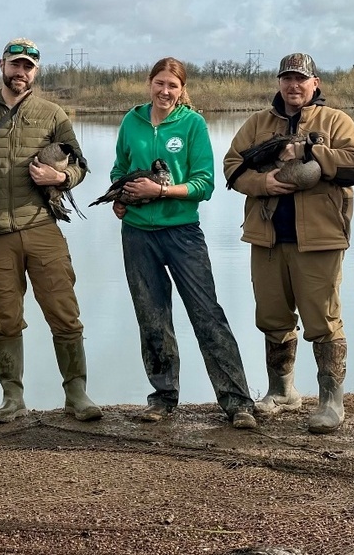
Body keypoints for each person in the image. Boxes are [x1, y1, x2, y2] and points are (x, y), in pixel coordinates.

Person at [0, 38, 102, 424]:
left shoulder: (53, 115)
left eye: (28, 67)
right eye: (15, 64)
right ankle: (12, 398)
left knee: (64, 313)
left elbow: (81, 165)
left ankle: (77, 394)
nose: (21, 72)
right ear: (1, 64)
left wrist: (62, 176)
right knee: (5, 317)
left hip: (42, 228)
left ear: (36, 71)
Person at [223, 53, 354, 434]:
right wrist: (262, 184)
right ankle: (282, 390)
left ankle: (331, 401)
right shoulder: (258, 123)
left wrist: (307, 152)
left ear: (315, 83)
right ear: (279, 83)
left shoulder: (335, 121)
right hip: (267, 235)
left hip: (320, 238)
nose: (294, 85)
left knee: (323, 319)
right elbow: (231, 167)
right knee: (272, 315)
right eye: (287, 78)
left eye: (301, 79)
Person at [108, 56, 255, 429]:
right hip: (138, 234)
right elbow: (119, 170)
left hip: (183, 232)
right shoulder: (132, 121)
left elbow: (204, 184)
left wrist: (159, 191)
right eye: (159, 83)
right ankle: (163, 398)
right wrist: (121, 198)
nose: (165, 91)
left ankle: (237, 402)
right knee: (151, 317)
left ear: (182, 89)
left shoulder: (192, 124)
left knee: (207, 314)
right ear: (149, 83)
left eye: (173, 85)